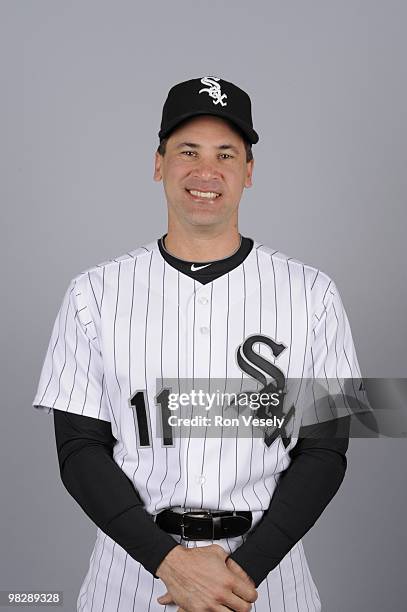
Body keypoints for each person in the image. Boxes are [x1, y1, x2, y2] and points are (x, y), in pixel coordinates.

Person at [32, 76, 370, 611]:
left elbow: (326, 451)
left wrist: (237, 573)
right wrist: (170, 564)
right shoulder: (93, 293)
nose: (205, 171)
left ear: (249, 171)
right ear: (158, 162)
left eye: (226, 153)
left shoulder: (314, 294)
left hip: (267, 579)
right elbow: (79, 450)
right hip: (132, 577)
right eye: (188, 150)